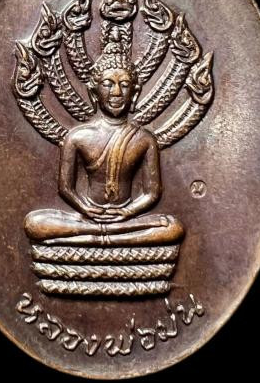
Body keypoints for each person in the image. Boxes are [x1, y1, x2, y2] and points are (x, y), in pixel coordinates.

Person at [24, 43, 184, 247]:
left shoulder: (144, 139)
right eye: (108, 84)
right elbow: (65, 188)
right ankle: (105, 234)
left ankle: (98, 237)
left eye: (124, 85)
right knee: (34, 223)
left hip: (127, 218)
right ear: (94, 93)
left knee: (174, 227)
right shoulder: (78, 137)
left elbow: (152, 193)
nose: (116, 92)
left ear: (134, 94)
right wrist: (85, 209)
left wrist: (128, 212)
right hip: (87, 217)